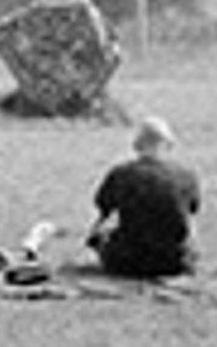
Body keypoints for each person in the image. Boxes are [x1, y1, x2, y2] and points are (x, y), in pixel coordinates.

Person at [86, 115, 202, 280]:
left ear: (137, 144)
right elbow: (191, 213)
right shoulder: (187, 176)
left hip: (127, 262)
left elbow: (102, 213)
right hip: (174, 262)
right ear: (168, 144)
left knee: (102, 236)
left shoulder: (120, 174)